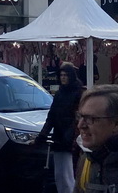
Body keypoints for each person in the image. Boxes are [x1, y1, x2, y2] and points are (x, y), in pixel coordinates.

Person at [36, 62, 86, 193]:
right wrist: (43, 135)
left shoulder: (78, 93)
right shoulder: (59, 94)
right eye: (61, 75)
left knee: (69, 173)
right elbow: (51, 116)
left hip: (72, 138)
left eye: (66, 75)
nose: (63, 78)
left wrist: (72, 134)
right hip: (59, 136)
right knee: (59, 174)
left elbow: (79, 116)